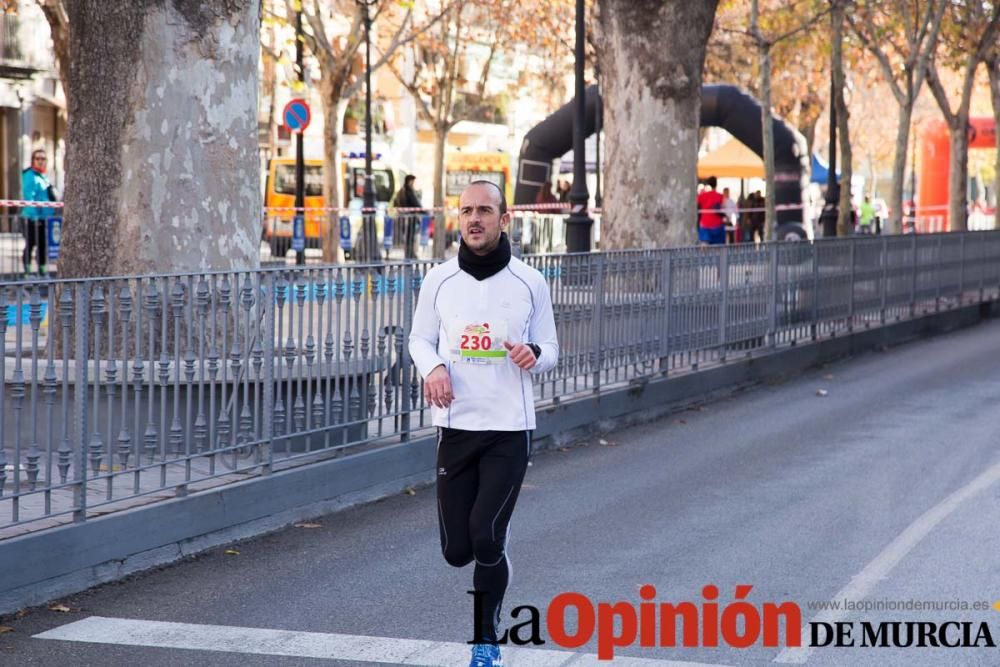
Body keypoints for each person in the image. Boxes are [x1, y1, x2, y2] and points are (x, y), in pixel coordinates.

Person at [408, 180, 558, 667]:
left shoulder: (529, 281)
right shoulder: (439, 280)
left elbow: (551, 350)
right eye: (467, 210)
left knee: (486, 536)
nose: (475, 219)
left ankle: (485, 639)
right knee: (457, 550)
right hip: (455, 426)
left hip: (509, 428)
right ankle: (489, 550)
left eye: (485, 211)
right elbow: (418, 340)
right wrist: (432, 368)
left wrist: (533, 353)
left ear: (504, 219)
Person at [21, 148, 56, 277]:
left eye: (43, 158)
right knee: (30, 244)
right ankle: (27, 272)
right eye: (38, 158)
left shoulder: (44, 176)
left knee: (42, 245)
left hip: (44, 218)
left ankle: (42, 270)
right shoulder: (29, 175)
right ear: (33, 160)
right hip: (31, 218)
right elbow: (29, 197)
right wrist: (34, 218)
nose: (41, 161)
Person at [393, 174, 424, 259]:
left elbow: (396, 203)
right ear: (409, 181)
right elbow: (415, 203)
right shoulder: (408, 191)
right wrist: (424, 211)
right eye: (412, 181)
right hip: (409, 218)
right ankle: (410, 254)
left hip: (404, 218)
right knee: (410, 237)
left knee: (408, 237)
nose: (413, 183)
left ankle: (409, 254)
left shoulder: (401, 191)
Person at [696, 176, 726, 245]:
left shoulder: (702, 196)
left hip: (705, 226)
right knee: (718, 250)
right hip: (717, 227)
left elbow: (698, 206)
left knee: (705, 250)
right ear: (716, 184)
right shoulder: (720, 196)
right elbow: (723, 208)